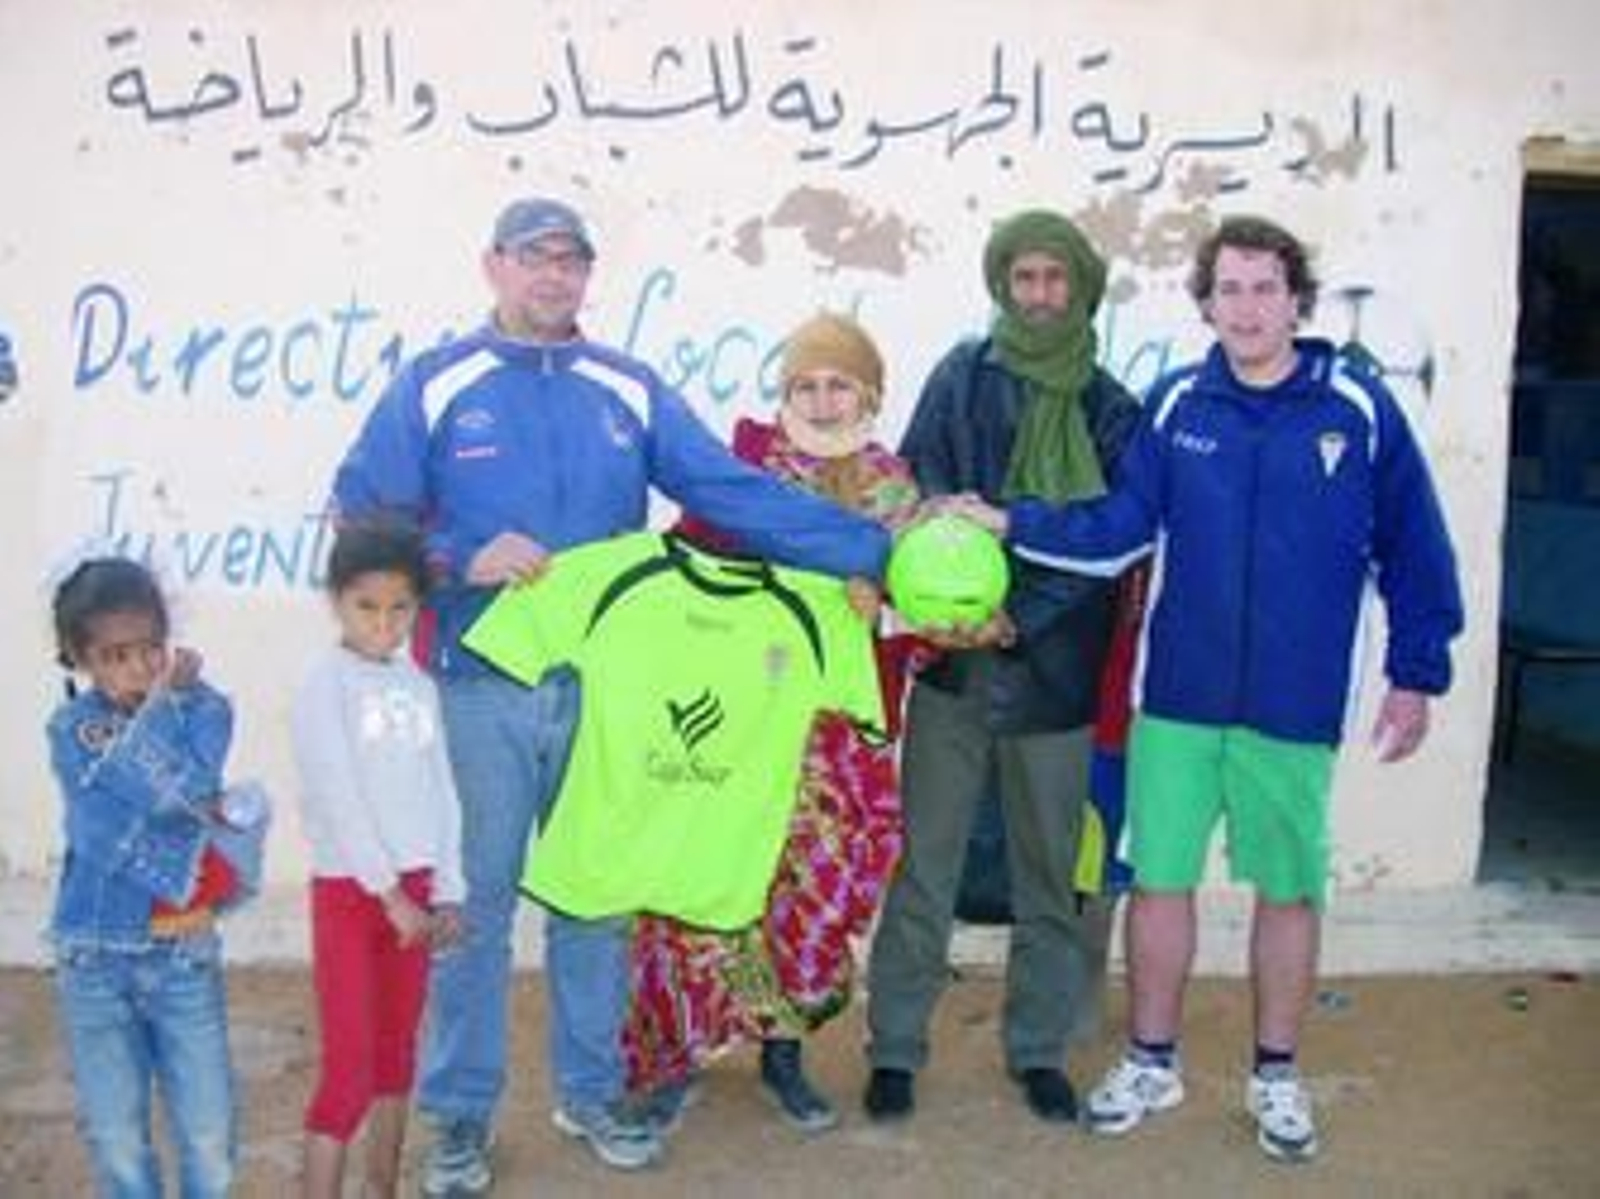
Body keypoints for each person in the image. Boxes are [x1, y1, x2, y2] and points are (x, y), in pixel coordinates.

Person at [329, 196, 890, 1190]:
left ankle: (591, 1092)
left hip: (609, 693)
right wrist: (456, 553)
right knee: (475, 902)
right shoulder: (437, 381)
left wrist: (879, 549)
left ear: (588, 275)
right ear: (494, 265)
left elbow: (730, 491)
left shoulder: (625, 386)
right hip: (478, 686)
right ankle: (459, 1118)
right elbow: (356, 516)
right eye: (535, 257)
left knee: (597, 894)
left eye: (571, 260)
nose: (554, 275)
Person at [946, 215, 1464, 1162]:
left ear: (1297, 301)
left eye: (1266, 288)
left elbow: (1415, 547)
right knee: (1159, 884)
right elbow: (1116, 529)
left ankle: (1276, 1074)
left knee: (1289, 892)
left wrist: (1416, 673)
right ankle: (1152, 1060)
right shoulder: (1179, 402)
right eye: (1229, 289)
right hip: (1179, 701)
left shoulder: (1358, 407)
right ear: (1207, 303)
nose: (1248, 307)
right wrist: (1010, 521)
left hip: (1295, 706)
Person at [863, 209, 1142, 1124]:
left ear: (1081, 288)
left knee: (1048, 877)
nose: (1040, 294)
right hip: (953, 668)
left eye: (1055, 278)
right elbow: (919, 490)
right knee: (926, 867)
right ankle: (895, 1047)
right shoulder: (961, 376)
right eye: (1024, 277)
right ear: (1002, 284)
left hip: (1054, 677)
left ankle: (1037, 1049)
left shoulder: (1111, 409)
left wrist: (1015, 618)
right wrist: (947, 607)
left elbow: (1107, 544)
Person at [622, 312, 924, 1135]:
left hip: (833, 737)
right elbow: (682, 566)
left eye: (840, 385)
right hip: (731, 723)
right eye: (805, 385)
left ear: (870, 394)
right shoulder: (744, 470)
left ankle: (782, 1053)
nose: (822, 402)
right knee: (698, 883)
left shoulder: (895, 492)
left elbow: (928, 612)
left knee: (806, 892)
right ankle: (676, 1053)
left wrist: (884, 601)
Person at [45, 555, 268, 1198]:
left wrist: (168, 715)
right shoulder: (71, 727)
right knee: (117, 1139)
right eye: (115, 657)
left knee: (210, 1138)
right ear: (80, 658)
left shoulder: (204, 708)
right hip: (94, 960)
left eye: (150, 648)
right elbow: (109, 822)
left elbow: (187, 790)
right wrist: (172, 789)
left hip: (183, 958)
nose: (140, 669)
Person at [292, 521, 466, 1199]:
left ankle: (381, 1186)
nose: (384, 623)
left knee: (396, 1061)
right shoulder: (324, 684)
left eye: (400, 608)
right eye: (367, 606)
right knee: (349, 1073)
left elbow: (442, 792)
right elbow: (338, 796)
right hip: (353, 895)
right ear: (336, 600)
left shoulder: (419, 686)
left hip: (416, 897)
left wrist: (447, 890)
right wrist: (388, 894)